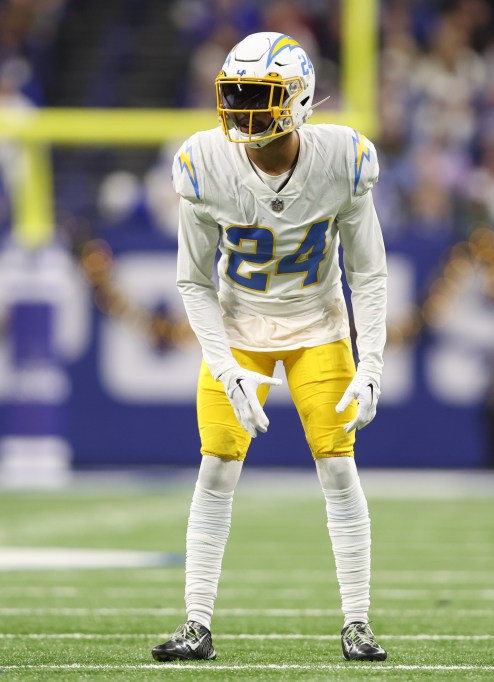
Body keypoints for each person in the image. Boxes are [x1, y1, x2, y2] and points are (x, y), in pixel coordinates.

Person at [152, 32, 389, 663]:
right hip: (239, 325)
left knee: (338, 466)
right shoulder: (206, 161)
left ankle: (358, 622)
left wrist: (371, 365)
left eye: (260, 96)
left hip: (317, 322)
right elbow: (192, 279)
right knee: (216, 467)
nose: (243, 111)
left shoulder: (342, 158)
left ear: (301, 98)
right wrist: (226, 369)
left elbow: (367, 272)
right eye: (236, 94)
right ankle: (197, 622)